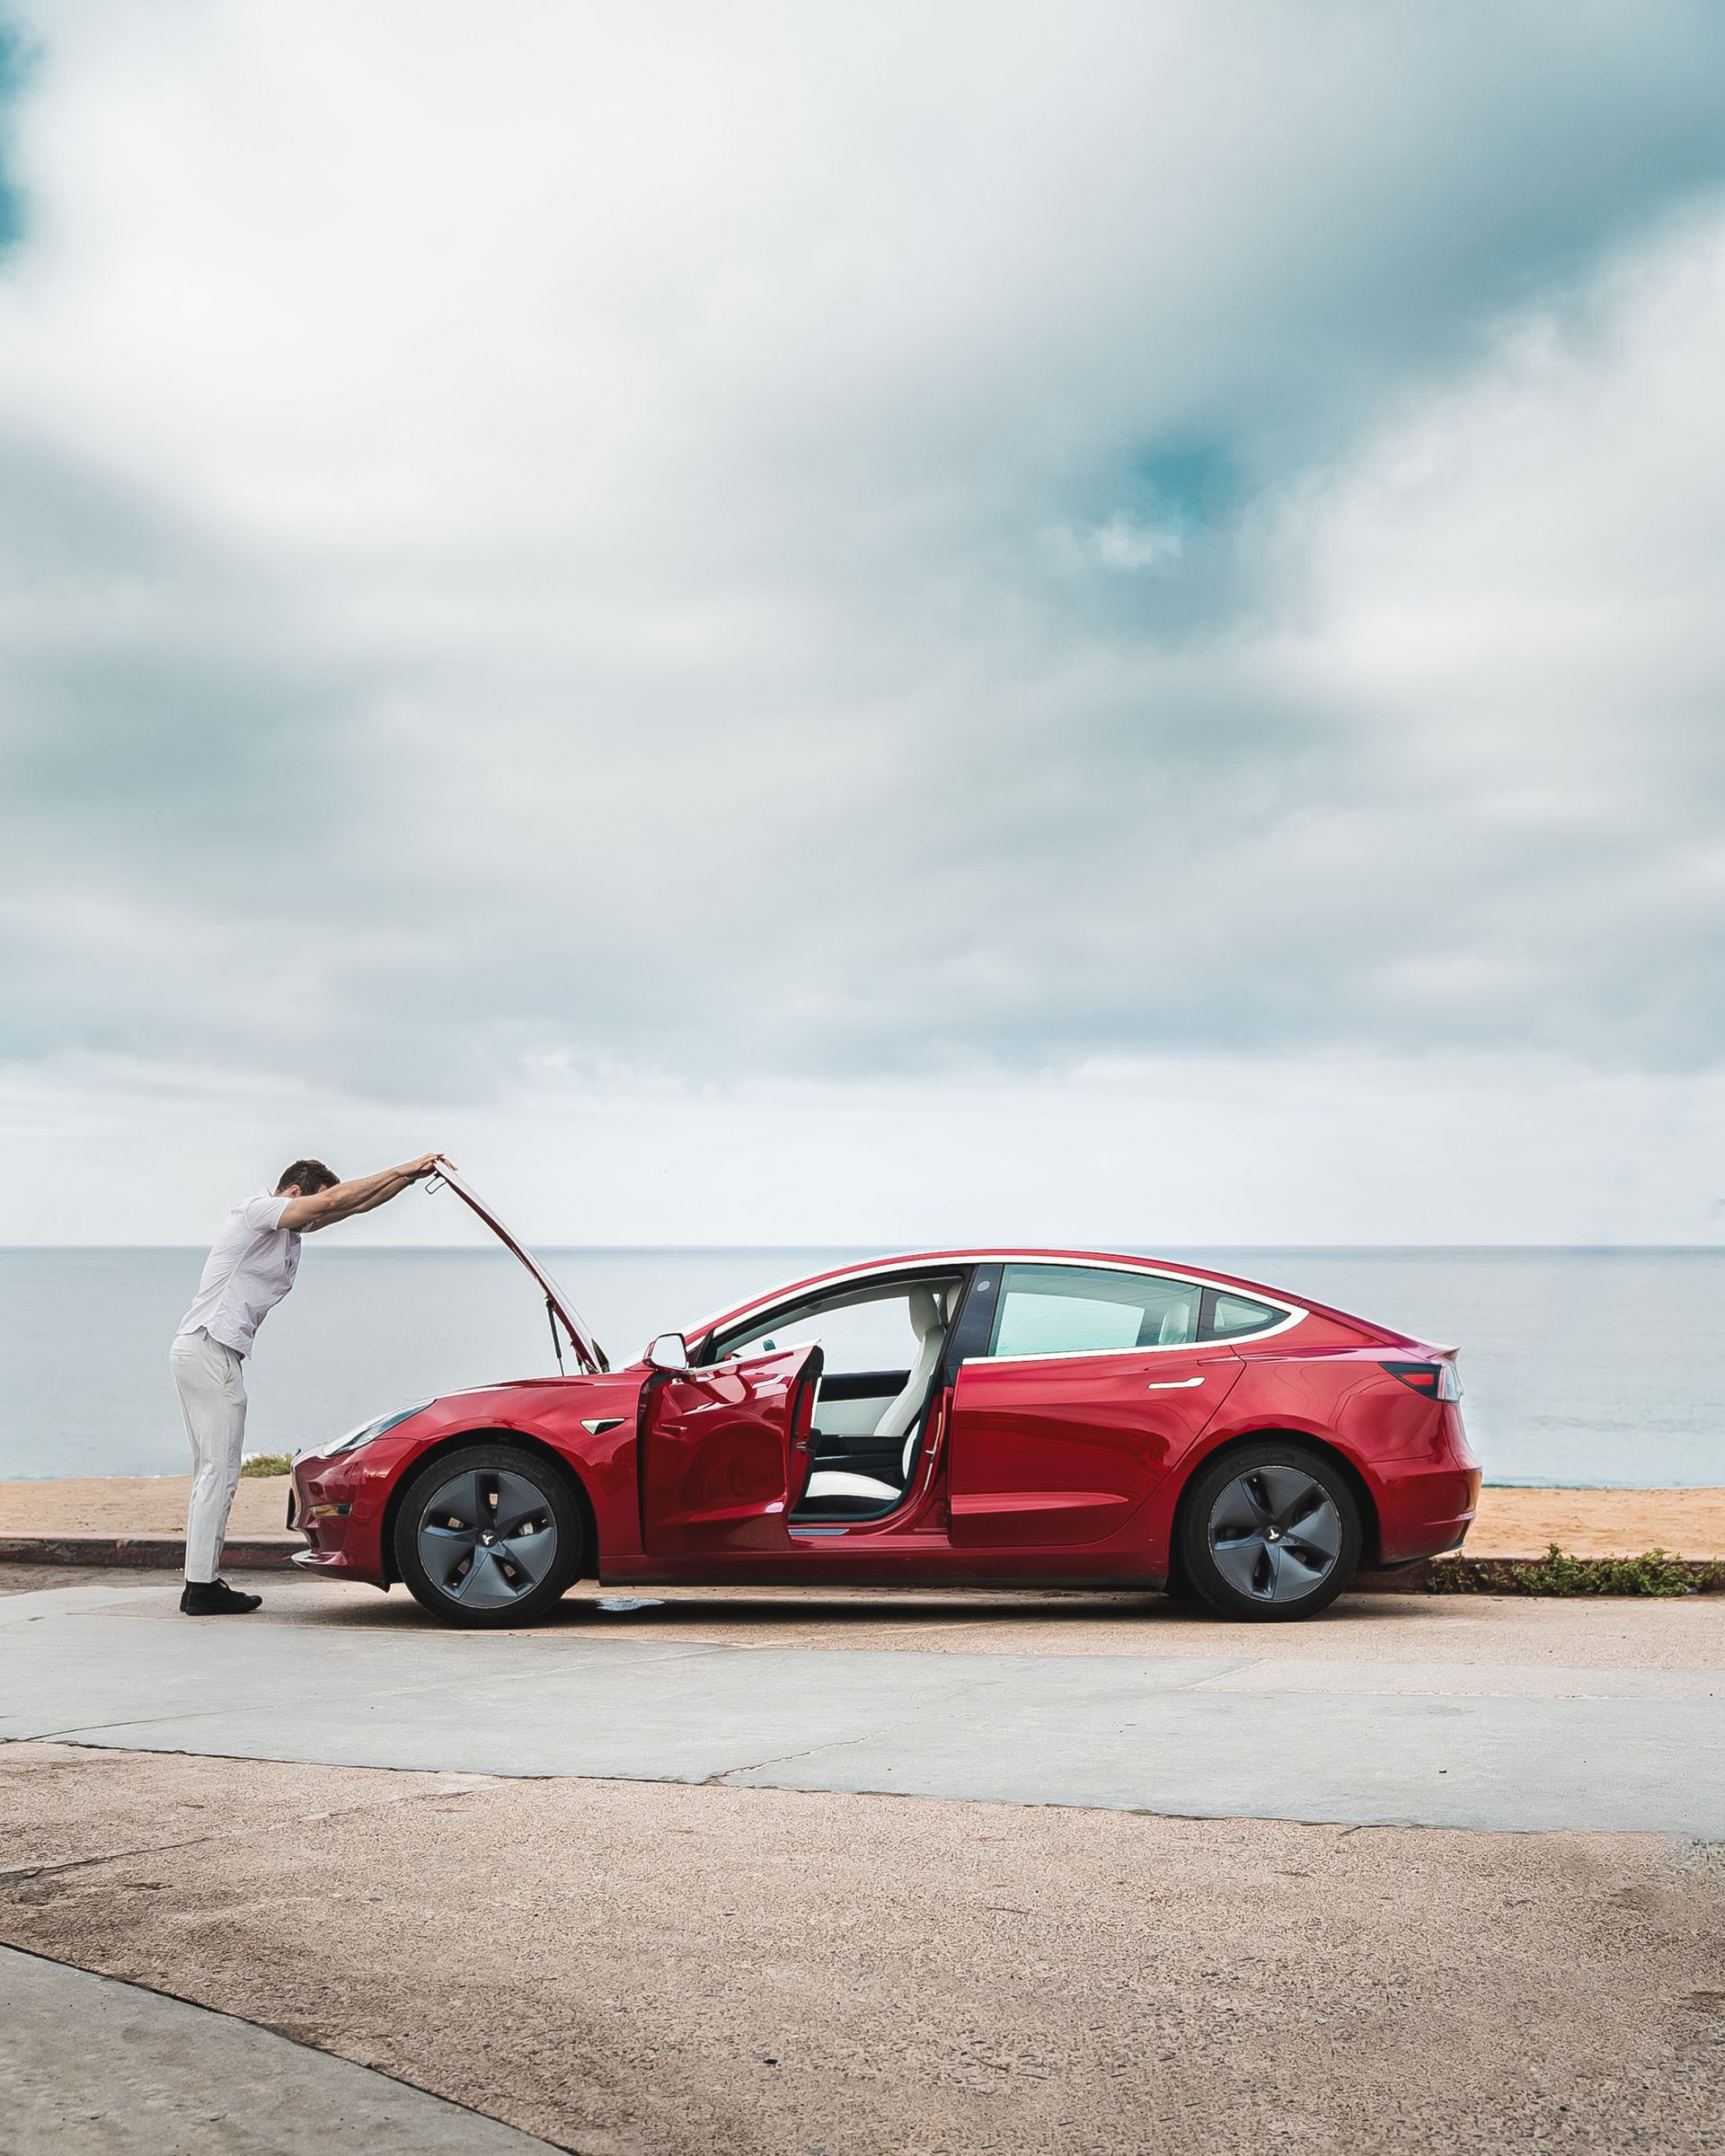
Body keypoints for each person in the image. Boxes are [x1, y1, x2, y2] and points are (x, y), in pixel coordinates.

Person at [170, 1153, 446, 1615]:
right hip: (208, 1349)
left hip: (209, 1352)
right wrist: (404, 1165)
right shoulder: (257, 1211)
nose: (315, 1221)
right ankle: (201, 1587)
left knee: (215, 1472)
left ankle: (201, 1583)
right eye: (312, 1206)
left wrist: (409, 1179)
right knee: (219, 1473)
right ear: (295, 1192)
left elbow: (351, 1205)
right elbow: (334, 1201)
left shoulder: (286, 1232)